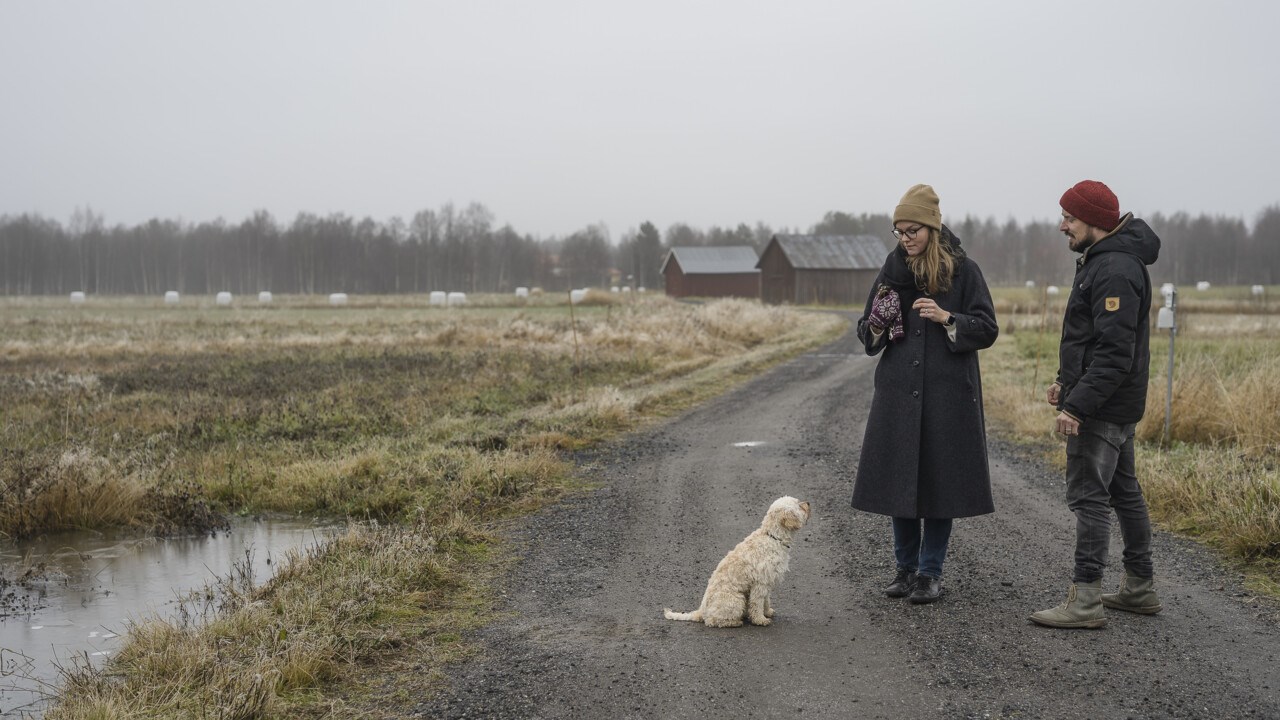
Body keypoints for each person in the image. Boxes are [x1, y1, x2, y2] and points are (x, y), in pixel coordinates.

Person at [852, 184, 999, 604]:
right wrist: (878, 323)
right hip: (898, 393)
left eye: (912, 229)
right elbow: (868, 335)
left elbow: (987, 329)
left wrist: (947, 316)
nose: (905, 238)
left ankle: (930, 573)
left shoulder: (964, 271)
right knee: (900, 481)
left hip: (948, 395)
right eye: (898, 231)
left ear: (932, 228)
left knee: (940, 484)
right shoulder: (891, 270)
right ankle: (904, 570)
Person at [1030, 179, 1164, 629]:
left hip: (1103, 408)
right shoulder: (1103, 262)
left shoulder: (1113, 270)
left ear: (1095, 221)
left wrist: (1076, 407)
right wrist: (1063, 383)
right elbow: (1091, 341)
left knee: (1089, 498)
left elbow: (1113, 354)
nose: (1062, 225)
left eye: (1069, 217)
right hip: (1109, 402)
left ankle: (1085, 601)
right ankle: (1139, 588)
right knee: (1124, 494)